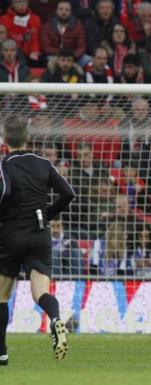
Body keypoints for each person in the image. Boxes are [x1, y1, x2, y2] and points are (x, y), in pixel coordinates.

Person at [0, 115, 76, 365]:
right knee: (40, 292)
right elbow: (68, 193)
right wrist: (49, 214)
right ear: (28, 138)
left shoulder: (4, 164)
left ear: (4, 140)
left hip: (11, 234)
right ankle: (55, 319)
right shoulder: (43, 163)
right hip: (39, 233)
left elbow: (5, 192)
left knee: (1, 295)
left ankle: (1, 351)